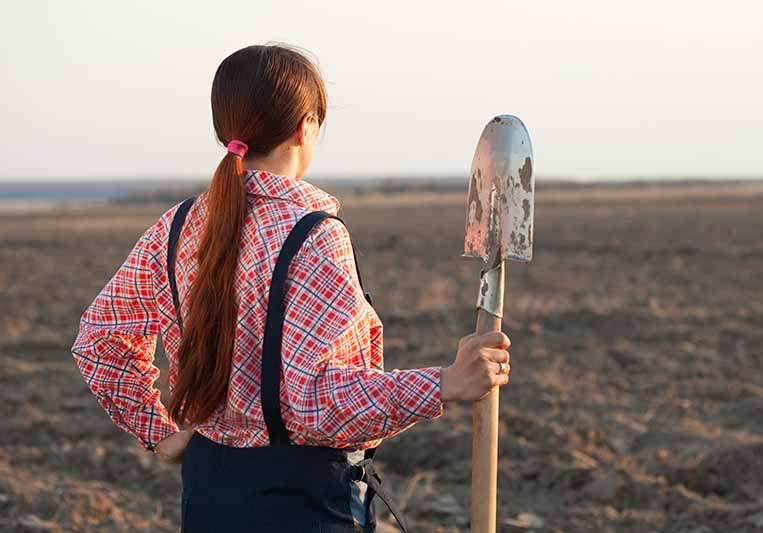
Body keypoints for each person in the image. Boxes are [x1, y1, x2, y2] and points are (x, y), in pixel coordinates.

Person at [70, 43, 512, 533]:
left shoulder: (176, 226)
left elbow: (100, 340)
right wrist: (444, 384)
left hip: (207, 495)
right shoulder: (314, 235)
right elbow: (314, 402)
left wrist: (159, 434)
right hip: (299, 505)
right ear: (306, 126)